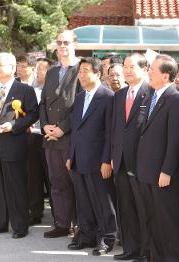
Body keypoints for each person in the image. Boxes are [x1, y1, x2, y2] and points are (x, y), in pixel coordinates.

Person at [0, 52, 39, 239]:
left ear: (12, 68)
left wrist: (13, 125)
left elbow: (32, 114)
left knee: (16, 187)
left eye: (0, 65)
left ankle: (20, 225)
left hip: (13, 144)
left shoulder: (24, 90)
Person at [136, 54, 179, 261]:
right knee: (153, 220)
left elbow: (175, 140)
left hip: (163, 174)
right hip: (147, 171)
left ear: (165, 76)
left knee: (168, 221)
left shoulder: (175, 99)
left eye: (152, 70)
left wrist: (166, 170)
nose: (148, 72)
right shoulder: (152, 96)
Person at [66, 57, 117, 256]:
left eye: (86, 70)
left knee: (103, 202)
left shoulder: (108, 97)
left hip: (98, 160)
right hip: (79, 158)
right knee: (83, 200)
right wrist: (71, 155)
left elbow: (110, 133)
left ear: (98, 74)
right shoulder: (80, 97)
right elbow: (75, 129)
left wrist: (106, 160)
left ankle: (107, 238)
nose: (82, 75)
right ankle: (86, 235)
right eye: (80, 71)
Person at [39, 30, 81, 238]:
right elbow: (43, 103)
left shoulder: (82, 69)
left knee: (76, 183)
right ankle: (62, 223)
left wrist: (63, 128)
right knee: (57, 183)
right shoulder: (52, 72)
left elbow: (82, 106)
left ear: (75, 44)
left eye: (66, 42)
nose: (62, 46)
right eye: (59, 42)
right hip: (50, 138)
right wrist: (45, 125)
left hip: (71, 137)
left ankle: (80, 225)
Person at [111, 53, 151, 261]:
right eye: (124, 66)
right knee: (126, 208)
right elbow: (114, 129)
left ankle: (146, 251)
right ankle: (130, 248)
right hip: (120, 160)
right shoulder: (119, 95)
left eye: (131, 67)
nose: (127, 70)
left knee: (144, 209)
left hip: (142, 162)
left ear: (145, 69)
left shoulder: (151, 92)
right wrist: (111, 156)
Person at [27, 57, 54, 226]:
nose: (37, 71)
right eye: (36, 68)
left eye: (41, 69)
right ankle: (35, 212)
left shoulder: (55, 91)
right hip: (32, 138)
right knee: (33, 177)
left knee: (52, 178)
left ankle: (59, 214)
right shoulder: (31, 90)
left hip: (50, 138)